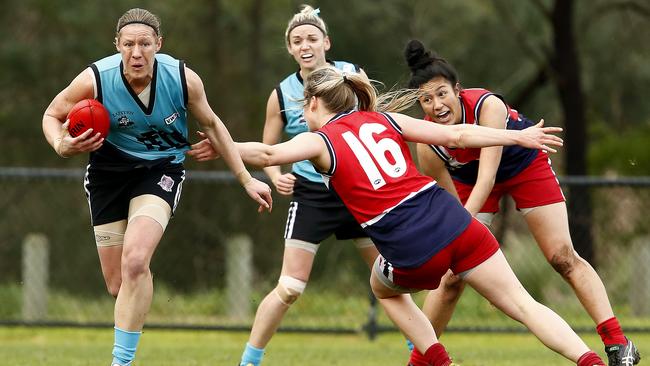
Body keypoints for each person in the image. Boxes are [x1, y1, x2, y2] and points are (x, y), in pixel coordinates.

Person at [194, 65, 606, 366]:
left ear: (314, 103)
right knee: (524, 304)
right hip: (456, 223)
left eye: (306, 107)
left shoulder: (320, 140)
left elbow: (267, 154)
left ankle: (440, 363)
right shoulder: (384, 118)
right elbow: (458, 135)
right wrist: (520, 135)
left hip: (412, 244)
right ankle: (589, 361)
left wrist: (223, 143)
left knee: (383, 288)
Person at [41, 8, 272, 366]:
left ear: (158, 44)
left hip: (160, 171)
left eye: (145, 44)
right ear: (117, 45)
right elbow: (52, 114)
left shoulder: (182, 79)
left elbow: (212, 125)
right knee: (119, 284)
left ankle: (121, 362)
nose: (137, 53)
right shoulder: (95, 79)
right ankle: (138, 290)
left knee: (135, 260)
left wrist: (246, 179)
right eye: (129, 44)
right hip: (108, 174)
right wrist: (61, 144)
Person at [403, 39, 640, 366]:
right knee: (451, 277)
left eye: (442, 93)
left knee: (562, 257)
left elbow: (488, 177)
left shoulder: (488, 106)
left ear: (457, 90)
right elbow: (451, 202)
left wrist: (458, 230)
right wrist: (451, 238)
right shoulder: (429, 145)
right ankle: (419, 361)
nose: (437, 105)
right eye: (426, 100)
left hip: (520, 164)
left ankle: (618, 343)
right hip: (469, 180)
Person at [188, 5, 378, 366]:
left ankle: (420, 354)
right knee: (290, 286)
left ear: (326, 41)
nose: (305, 45)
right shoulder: (281, 94)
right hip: (311, 196)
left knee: (388, 277)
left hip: (358, 190)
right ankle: (250, 360)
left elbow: (377, 124)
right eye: (296, 41)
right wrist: (277, 179)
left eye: (311, 38)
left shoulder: (352, 76)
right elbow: (269, 151)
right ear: (289, 49)